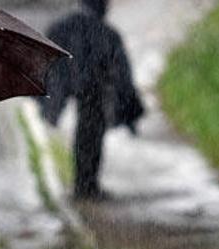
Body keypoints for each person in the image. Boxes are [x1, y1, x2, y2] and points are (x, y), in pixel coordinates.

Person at [39, 0, 144, 200]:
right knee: (91, 135)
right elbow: (122, 75)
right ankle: (86, 185)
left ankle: (84, 184)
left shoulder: (64, 28)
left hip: (81, 87)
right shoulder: (106, 34)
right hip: (94, 90)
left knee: (87, 134)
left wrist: (51, 101)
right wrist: (129, 110)